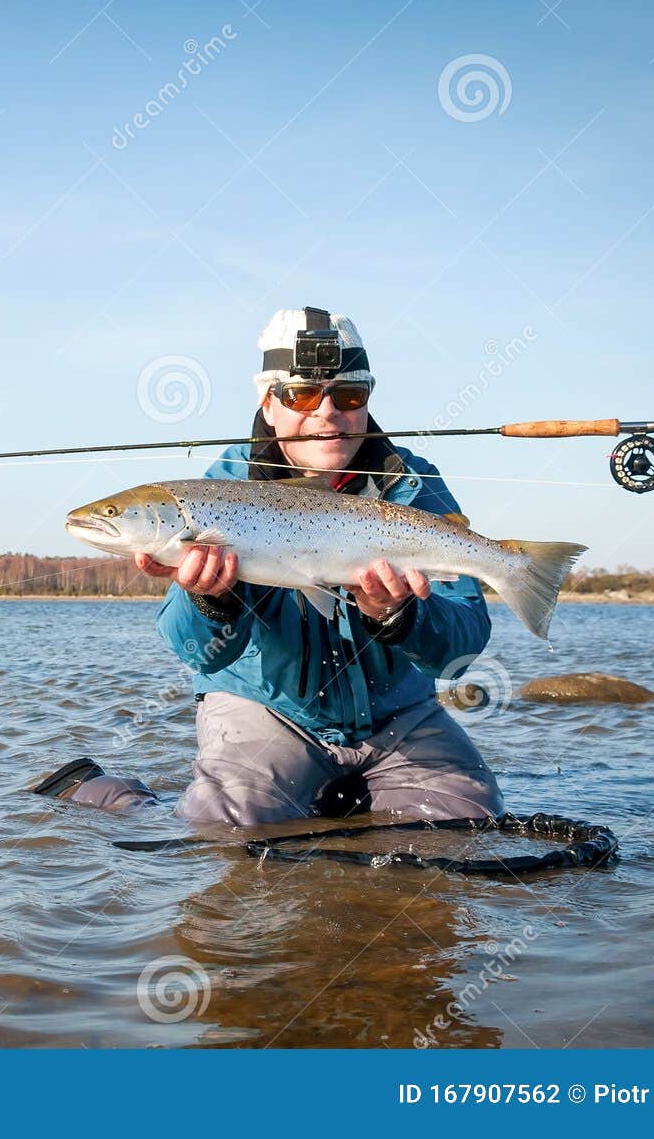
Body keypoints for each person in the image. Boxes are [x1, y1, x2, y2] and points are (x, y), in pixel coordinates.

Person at [34, 306, 504, 826]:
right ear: (268, 401)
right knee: (224, 828)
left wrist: (399, 616)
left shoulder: (412, 485)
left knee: (463, 825)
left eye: (349, 396)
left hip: (398, 716)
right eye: (301, 395)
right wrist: (211, 600)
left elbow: (463, 641)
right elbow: (192, 651)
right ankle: (109, 793)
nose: (327, 414)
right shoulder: (220, 489)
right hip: (267, 710)